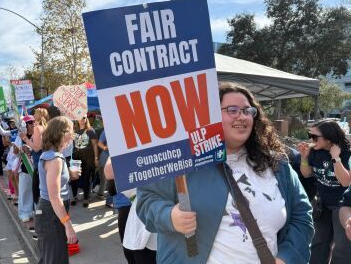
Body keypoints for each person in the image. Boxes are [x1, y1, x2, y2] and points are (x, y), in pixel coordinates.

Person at [136, 83, 314, 264]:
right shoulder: (182, 162)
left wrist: (286, 258)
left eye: (247, 111)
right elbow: (146, 201)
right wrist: (169, 216)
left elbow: (302, 217)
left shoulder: (278, 165)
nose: (242, 116)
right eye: (232, 110)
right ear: (210, 116)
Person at [297, 119, 351, 264]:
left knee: (341, 248)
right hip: (322, 205)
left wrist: (335, 158)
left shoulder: (346, 153)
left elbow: (345, 181)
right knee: (318, 243)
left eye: (315, 137)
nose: (311, 140)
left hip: (342, 207)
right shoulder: (315, 152)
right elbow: (307, 174)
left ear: (329, 138)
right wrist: (304, 157)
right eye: (310, 135)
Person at [35, 116, 81, 264]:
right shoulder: (55, 159)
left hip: (51, 213)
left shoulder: (54, 156)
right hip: (51, 214)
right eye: (70, 131)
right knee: (55, 259)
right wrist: (68, 226)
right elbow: (54, 197)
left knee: (51, 258)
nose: (72, 135)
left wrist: (69, 175)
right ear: (60, 133)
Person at [71, 114, 99, 207]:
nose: (81, 119)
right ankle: (74, 196)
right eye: (79, 117)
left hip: (88, 157)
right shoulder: (74, 130)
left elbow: (95, 145)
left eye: (83, 117)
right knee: (74, 178)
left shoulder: (91, 130)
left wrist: (96, 158)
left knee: (86, 177)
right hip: (76, 156)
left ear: (86, 118)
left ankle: (86, 198)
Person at [15, 115, 36, 222]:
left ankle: (32, 211)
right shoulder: (21, 137)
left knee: (35, 191)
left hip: (37, 168)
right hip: (26, 167)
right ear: (25, 125)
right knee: (24, 190)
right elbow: (15, 152)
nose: (33, 124)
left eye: (34, 122)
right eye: (30, 123)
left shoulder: (38, 135)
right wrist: (20, 149)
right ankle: (24, 212)